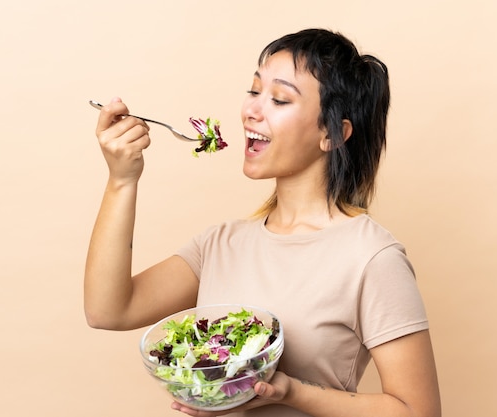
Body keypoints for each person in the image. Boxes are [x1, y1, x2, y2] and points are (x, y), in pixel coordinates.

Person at [84, 28, 441, 417]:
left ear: (333, 133)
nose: (252, 110)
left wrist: (290, 392)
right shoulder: (221, 244)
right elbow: (108, 310)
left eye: (280, 99)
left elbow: (419, 411)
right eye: (254, 91)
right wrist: (122, 180)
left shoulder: (371, 257)